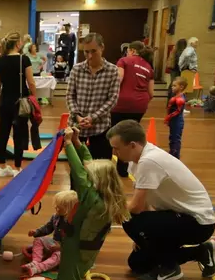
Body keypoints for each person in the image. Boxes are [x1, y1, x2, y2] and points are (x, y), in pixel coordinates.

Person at [106, 120, 215, 280]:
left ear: (132, 145)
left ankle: (169, 268)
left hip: (199, 223)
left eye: (116, 147)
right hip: (178, 218)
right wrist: (144, 237)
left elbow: (135, 208)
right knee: (137, 264)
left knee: (129, 220)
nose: (114, 152)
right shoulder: (136, 161)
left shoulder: (149, 161)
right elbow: (144, 205)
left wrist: (109, 212)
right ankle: (200, 252)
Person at [58, 127, 131, 280]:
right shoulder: (102, 193)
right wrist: (77, 142)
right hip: (81, 246)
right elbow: (88, 163)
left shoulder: (92, 198)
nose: (87, 175)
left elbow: (79, 173)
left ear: (98, 181)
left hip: (77, 248)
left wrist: (67, 145)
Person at [66, 33, 120, 159]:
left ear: (102, 48)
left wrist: (93, 117)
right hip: (76, 127)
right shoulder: (76, 69)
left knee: (101, 170)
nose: (89, 56)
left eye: (93, 51)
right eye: (86, 52)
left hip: (101, 128)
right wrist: (77, 116)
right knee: (77, 169)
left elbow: (113, 98)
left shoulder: (112, 70)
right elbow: (70, 95)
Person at [0, 31, 37, 178]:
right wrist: (34, 97)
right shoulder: (23, 60)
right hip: (21, 102)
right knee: (19, 135)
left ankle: (1, 167)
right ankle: (17, 167)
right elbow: (31, 82)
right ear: (18, 44)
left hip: (5, 101)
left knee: (3, 134)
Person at [110, 40, 155, 177]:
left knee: (113, 134)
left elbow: (119, 79)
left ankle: (106, 168)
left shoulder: (124, 61)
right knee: (129, 136)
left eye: (128, 50)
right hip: (139, 105)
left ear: (133, 51)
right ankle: (124, 169)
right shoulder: (149, 67)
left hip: (121, 104)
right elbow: (151, 93)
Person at [21, 190, 78, 276]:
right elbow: (47, 228)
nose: (56, 208)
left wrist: (61, 247)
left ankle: (38, 268)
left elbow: (74, 241)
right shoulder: (56, 216)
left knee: (59, 256)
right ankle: (35, 262)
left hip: (65, 249)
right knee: (38, 240)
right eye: (56, 205)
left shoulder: (74, 223)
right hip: (54, 243)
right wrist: (36, 232)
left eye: (59, 207)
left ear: (68, 209)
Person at [165, 76, 187, 160]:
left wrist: (168, 117)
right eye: (172, 86)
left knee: (176, 138)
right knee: (172, 137)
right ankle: (172, 152)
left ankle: (175, 156)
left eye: (174, 86)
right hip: (173, 120)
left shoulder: (180, 98)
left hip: (177, 121)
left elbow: (177, 111)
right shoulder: (175, 97)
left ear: (181, 87)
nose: (172, 87)